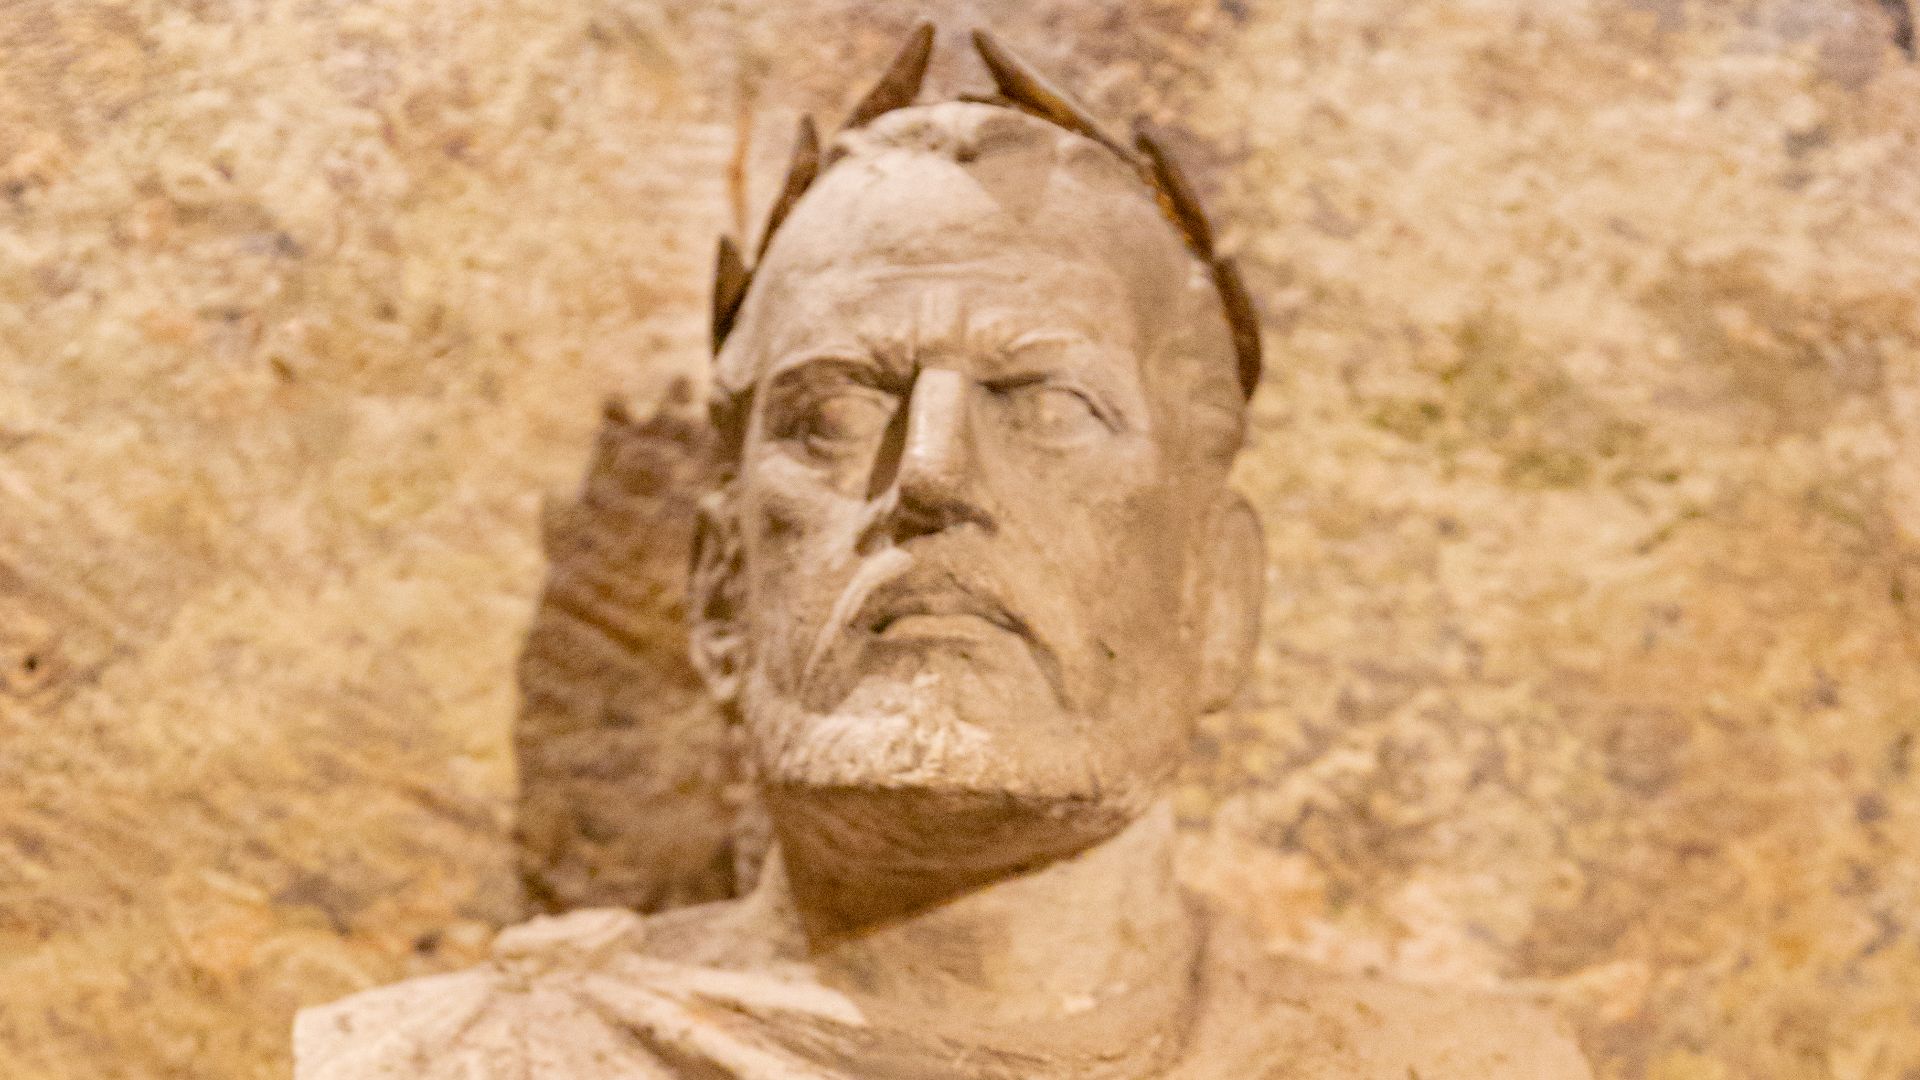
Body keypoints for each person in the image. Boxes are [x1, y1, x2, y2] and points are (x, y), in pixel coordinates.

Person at [295, 28, 1592, 1079]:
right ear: (722, 592)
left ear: (1224, 598)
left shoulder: (1456, 1068)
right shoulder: (445, 1064)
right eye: (832, 413)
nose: (928, 474)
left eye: (1048, 408)